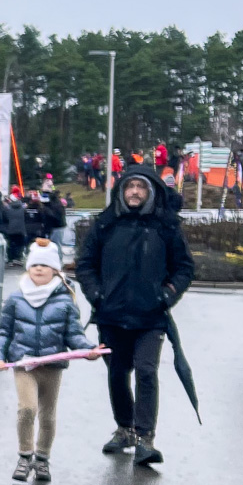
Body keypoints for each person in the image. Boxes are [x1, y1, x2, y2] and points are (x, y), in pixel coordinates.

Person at [76, 166, 194, 467]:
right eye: (130, 187)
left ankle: (145, 438)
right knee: (117, 374)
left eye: (141, 188)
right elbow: (85, 264)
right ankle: (124, 428)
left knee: (145, 371)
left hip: (150, 316)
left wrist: (167, 294)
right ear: (121, 190)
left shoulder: (165, 226)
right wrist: (97, 294)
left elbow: (184, 268)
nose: (135, 193)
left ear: (151, 192)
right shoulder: (106, 224)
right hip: (111, 315)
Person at [0, 239, 99, 483]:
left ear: (55, 270)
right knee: (27, 409)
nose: (39, 269)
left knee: (48, 416)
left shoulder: (65, 301)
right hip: (24, 365)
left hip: (52, 366)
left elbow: (74, 335)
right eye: (35, 264)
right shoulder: (16, 299)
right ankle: (24, 456)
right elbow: (4, 333)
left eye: (45, 264)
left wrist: (89, 349)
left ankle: (42, 459)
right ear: (28, 267)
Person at [0, 192, 31, 264]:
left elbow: (4, 219)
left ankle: (10, 258)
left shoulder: (7, 209)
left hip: (10, 229)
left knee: (11, 244)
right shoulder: (23, 208)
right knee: (20, 244)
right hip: (21, 229)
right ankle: (18, 257)